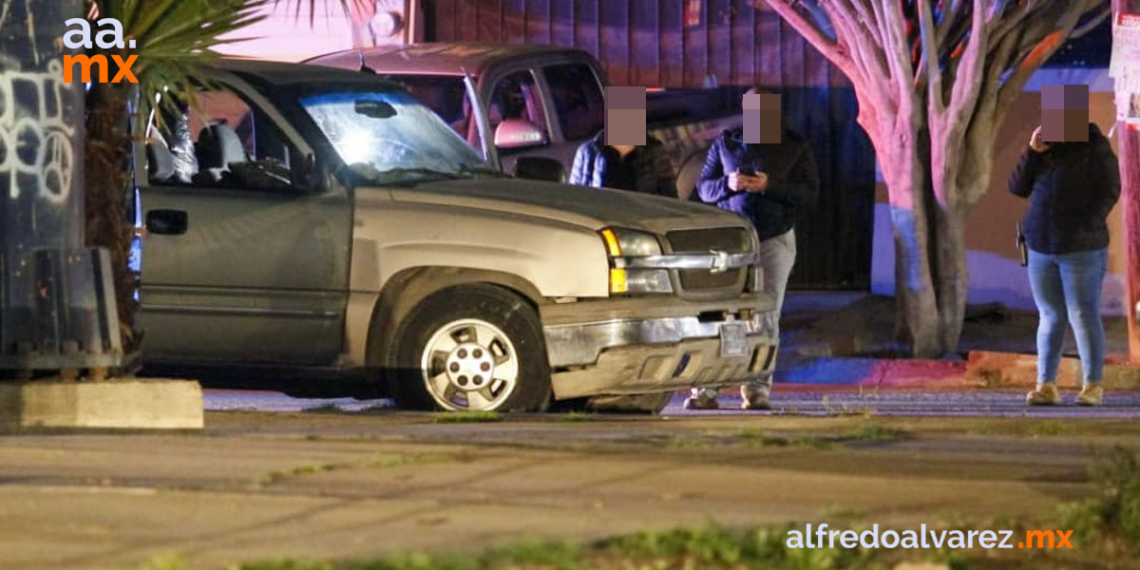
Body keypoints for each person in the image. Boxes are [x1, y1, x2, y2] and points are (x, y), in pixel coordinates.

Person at [685, 87, 820, 411]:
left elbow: (809, 194)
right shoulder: (727, 142)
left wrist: (769, 186)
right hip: (732, 241)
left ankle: (758, 389)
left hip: (775, 238)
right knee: (721, 313)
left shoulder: (794, 145)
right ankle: (707, 389)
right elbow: (703, 188)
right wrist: (728, 184)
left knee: (766, 316)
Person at [1010, 123, 1120, 407]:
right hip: (1040, 246)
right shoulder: (1045, 149)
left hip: (1082, 248)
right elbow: (1018, 187)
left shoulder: (1094, 147)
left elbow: (1110, 190)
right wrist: (1032, 152)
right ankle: (1046, 385)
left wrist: (1086, 224)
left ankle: (1092, 385)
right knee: (1049, 316)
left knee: (1082, 314)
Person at [568, 130, 677, 197]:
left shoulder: (653, 149)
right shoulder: (588, 151)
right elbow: (576, 198)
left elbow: (669, 196)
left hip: (643, 225)